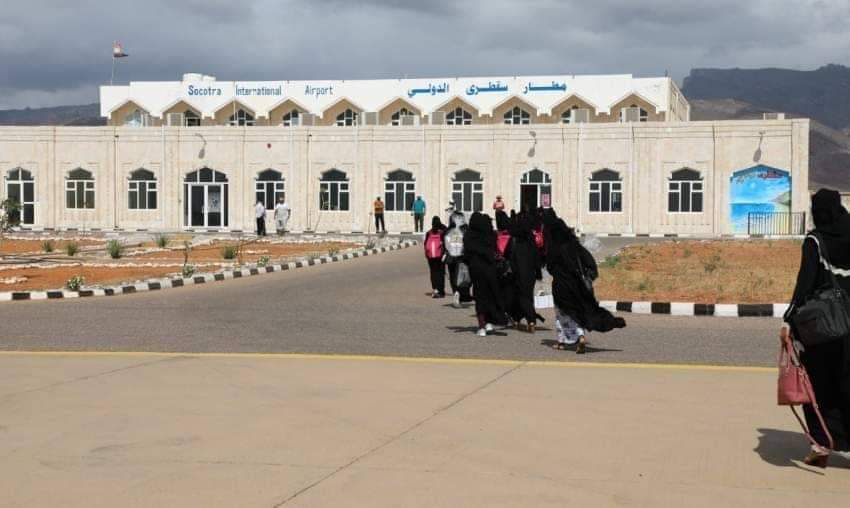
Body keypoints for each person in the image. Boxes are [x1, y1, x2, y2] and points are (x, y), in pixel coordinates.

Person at [782, 188, 850, 467]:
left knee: (817, 383)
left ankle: (821, 444)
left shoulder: (815, 241)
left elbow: (805, 283)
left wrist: (789, 319)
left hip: (823, 327)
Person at [545, 215, 625, 353]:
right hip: (577, 285)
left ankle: (562, 342)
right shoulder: (574, 245)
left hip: (561, 286)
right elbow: (589, 261)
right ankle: (581, 335)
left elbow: (550, 267)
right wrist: (589, 276)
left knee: (562, 314)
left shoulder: (553, 248)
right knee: (579, 310)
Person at [464, 212, 508, 337]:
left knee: (480, 297)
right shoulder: (491, 235)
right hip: (490, 269)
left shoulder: (470, 235)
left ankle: (482, 326)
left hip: (476, 270)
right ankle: (489, 323)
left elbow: (466, 254)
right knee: (490, 295)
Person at [509, 212, 545, 333]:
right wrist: (538, 272)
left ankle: (530, 319)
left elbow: (509, 256)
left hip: (518, 273)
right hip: (530, 274)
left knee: (521, 297)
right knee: (528, 296)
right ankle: (519, 318)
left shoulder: (515, 240)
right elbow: (536, 258)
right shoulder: (531, 240)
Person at [445, 210, 472, 308]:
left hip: (451, 257)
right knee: (460, 276)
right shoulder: (465, 230)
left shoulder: (448, 231)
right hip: (460, 257)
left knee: (453, 276)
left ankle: (456, 293)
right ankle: (459, 294)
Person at [494, 211, 516, 325]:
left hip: (498, 265)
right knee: (509, 290)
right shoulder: (512, 235)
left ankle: (502, 312)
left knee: (500, 290)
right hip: (510, 266)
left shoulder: (496, 235)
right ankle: (509, 313)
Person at [424, 216, 447, 298]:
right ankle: (441, 290)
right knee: (441, 273)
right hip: (440, 255)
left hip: (431, 256)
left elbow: (425, 244)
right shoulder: (442, 232)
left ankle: (435, 288)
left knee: (433, 272)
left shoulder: (429, 232)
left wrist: (427, 255)